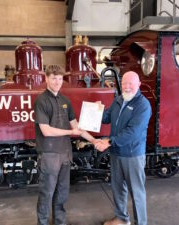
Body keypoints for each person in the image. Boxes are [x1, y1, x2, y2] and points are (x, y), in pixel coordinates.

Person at [34, 64, 97, 225]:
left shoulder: (65, 101)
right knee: (47, 193)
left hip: (65, 154)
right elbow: (46, 131)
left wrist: (93, 140)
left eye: (60, 78)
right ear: (46, 79)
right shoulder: (41, 101)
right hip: (49, 154)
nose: (57, 82)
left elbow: (77, 126)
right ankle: (42, 222)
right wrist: (70, 133)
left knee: (62, 193)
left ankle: (59, 222)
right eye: (53, 78)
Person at [95, 71, 152, 225]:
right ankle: (121, 219)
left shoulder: (143, 105)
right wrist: (97, 111)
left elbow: (132, 132)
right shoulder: (119, 100)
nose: (127, 87)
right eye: (124, 83)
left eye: (131, 83)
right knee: (118, 188)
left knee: (137, 192)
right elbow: (107, 117)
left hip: (132, 155)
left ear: (138, 84)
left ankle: (141, 223)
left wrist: (109, 142)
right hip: (116, 153)